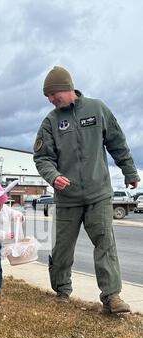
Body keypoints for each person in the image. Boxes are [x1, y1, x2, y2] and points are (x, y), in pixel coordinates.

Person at [33, 65, 140, 314]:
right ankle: (62, 289)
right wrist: (54, 176)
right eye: (47, 97)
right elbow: (42, 158)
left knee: (105, 243)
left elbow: (117, 142)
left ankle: (112, 296)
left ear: (66, 88)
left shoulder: (97, 109)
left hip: (98, 193)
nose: (50, 100)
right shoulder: (51, 121)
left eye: (52, 94)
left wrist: (130, 172)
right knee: (62, 248)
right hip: (68, 198)